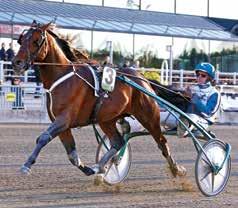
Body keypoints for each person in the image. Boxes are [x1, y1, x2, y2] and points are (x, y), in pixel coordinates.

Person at [118, 62, 220, 137]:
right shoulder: (193, 88)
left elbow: (208, 112)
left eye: (203, 75)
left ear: (210, 78)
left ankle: (183, 128)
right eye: (198, 75)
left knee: (191, 117)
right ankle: (130, 127)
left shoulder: (214, 93)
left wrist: (194, 98)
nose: (199, 77)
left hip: (201, 121)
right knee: (155, 115)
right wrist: (182, 95)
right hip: (182, 116)